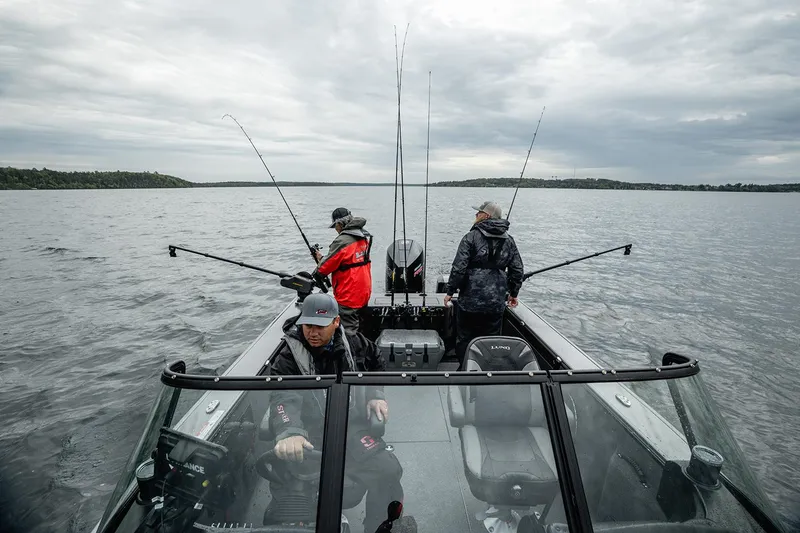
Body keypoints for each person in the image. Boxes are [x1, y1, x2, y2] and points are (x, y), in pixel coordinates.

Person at [268, 293, 404, 533]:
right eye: (308, 325)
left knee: (389, 470)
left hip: (350, 425)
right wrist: (290, 431)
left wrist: (375, 395)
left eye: (320, 326)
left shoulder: (356, 343)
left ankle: (378, 526)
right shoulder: (287, 356)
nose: (313, 333)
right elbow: (282, 395)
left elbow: (376, 363)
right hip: (308, 431)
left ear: (336, 323)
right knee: (288, 479)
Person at [443, 201, 524, 369]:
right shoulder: (509, 241)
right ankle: (485, 370)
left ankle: (465, 368)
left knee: (465, 338)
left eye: (479, 212)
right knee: (492, 339)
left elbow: (459, 268)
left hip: (470, 302)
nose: (476, 215)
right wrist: (513, 293)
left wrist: (450, 291)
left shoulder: (470, 237)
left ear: (486, 216)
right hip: (496, 303)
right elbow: (517, 270)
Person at [313, 207, 373, 333]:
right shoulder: (362, 235)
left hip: (348, 297)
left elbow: (322, 270)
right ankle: (363, 347)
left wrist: (321, 261)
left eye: (335, 226)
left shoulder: (342, 241)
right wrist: (323, 258)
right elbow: (348, 260)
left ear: (340, 224)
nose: (336, 229)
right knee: (361, 327)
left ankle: (352, 351)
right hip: (363, 293)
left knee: (348, 333)